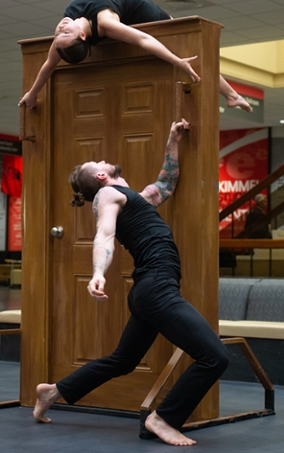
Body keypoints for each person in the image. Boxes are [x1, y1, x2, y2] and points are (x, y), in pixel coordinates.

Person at [33, 118, 229, 446]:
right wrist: (98, 272)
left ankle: (54, 391)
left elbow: (165, 184)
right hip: (156, 288)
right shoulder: (108, 195)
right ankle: (163, 418)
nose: (102, 158)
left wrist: (172, 139)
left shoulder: (131, 198)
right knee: (214, 357)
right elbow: (104, 234)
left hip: (147, 291)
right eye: (96, 161)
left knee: (123, 361)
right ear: (100, 176)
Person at [18, 0, 252, 113]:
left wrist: (32, 91)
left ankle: (231, 95)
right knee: (184, 53)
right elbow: (49, 65)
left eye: (58, 34)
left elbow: (143, 39)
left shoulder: (84, 25)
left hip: (138, 7)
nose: (59, 30)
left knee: (189, 49)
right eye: (62, 34)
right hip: (132, 18)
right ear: (81, 36)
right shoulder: (98, 26)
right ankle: (232, 95)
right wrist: (33, 93)